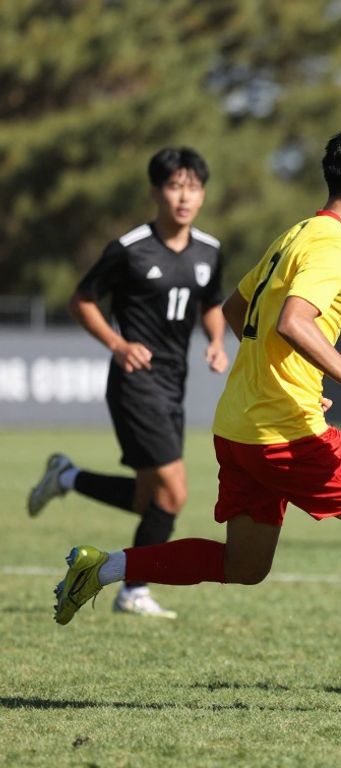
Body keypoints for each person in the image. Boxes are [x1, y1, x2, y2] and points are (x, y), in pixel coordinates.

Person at [51, 121, 341, 714]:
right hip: (284, 434)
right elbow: (293, 320)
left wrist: (294, 379)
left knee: (245, 565)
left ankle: (102, 568)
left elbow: (238, 313)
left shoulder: (296, 233)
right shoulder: (337, 246)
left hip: (239, 425)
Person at [28, 147, 228, 619]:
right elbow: (82, 301)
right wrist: (118, 345)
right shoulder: (130, 247)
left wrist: (217, 340)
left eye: (193, 187)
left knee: (148, 499)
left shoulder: (210, 251)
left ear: (202, 194)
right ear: (157, 192)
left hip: (174, 382)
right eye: (175, 186)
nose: (184, 196)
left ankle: (67, 477)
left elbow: (212, 302)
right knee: (174, 493)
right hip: (134, 381)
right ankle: (133, 589)